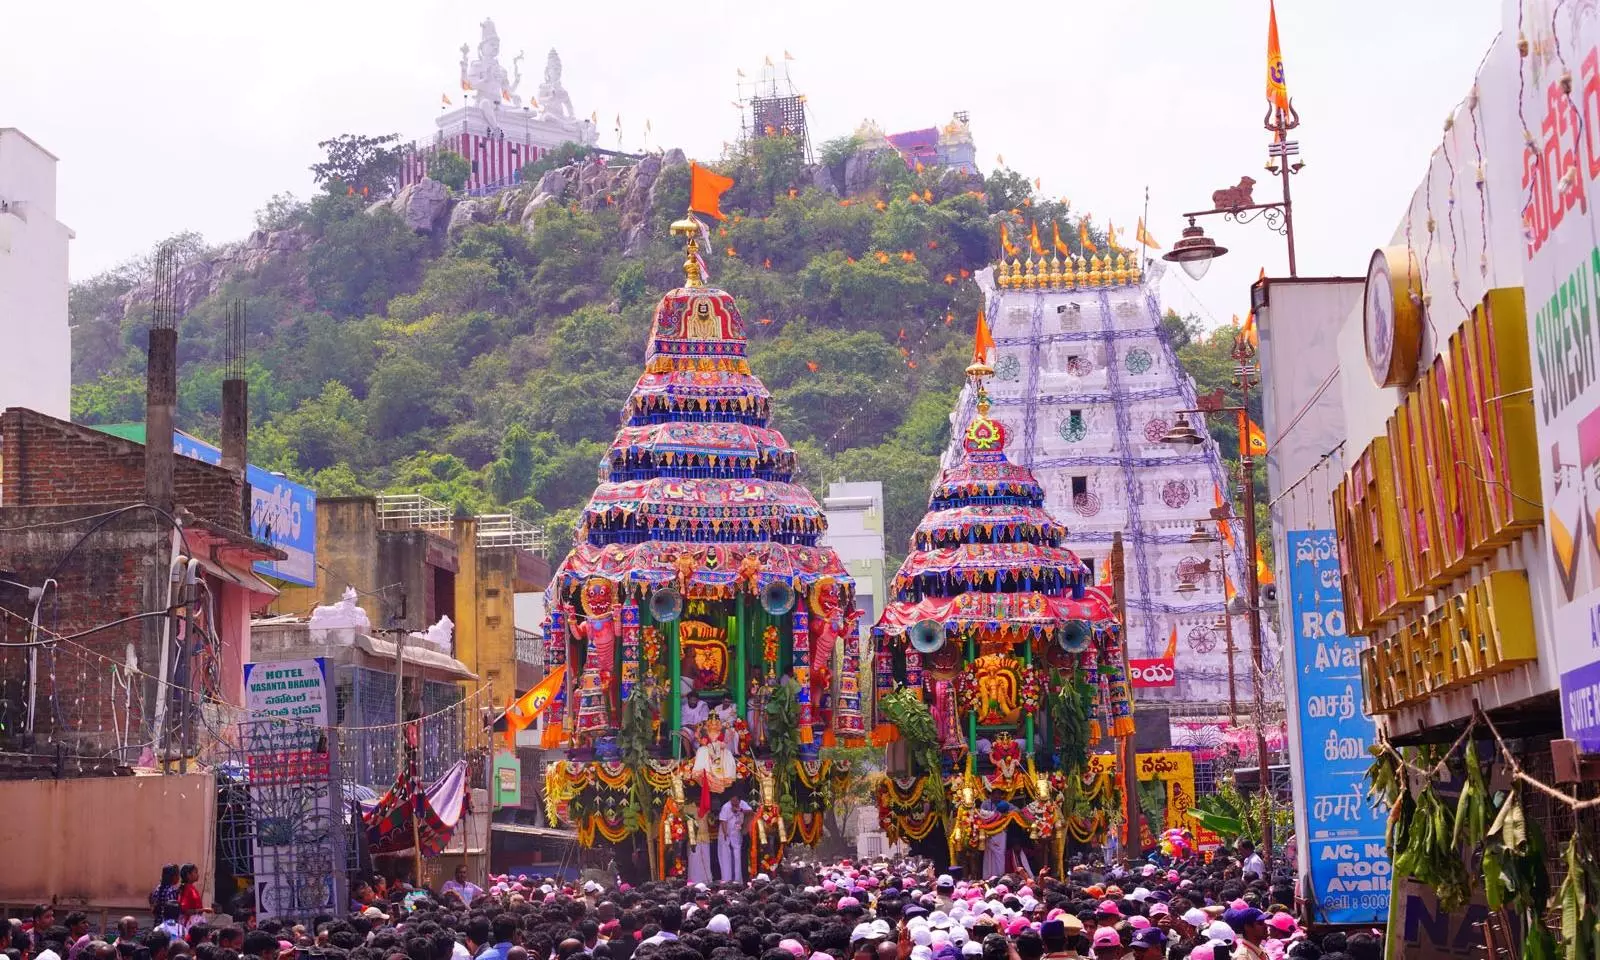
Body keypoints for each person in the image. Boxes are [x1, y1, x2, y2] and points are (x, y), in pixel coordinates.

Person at [718, 793, 753, 883]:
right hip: (726, 834)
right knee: (726, 856)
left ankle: (737, 879)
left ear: (739, 800)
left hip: (737, 833)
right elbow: (723, 820)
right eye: (732, 801)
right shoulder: (726, 807)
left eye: (735, 801)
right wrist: (725, 833)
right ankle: (727, 879)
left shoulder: (742, 804)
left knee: (737, 856)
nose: (733, 803)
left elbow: (750, 812)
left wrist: (739, 810)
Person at [177, 865, 204, 931]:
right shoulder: (187, 889)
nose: (198, 874)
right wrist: (202, 910)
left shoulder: (192, 888)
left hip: (196, 921)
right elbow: (184, 910)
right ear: (188, 875)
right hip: (190, 923)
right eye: (195, 872)